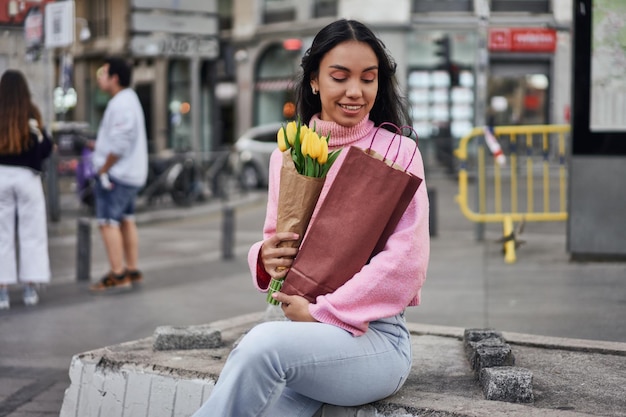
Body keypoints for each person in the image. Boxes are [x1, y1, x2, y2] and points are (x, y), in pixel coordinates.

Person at [192, 19, 430, 417]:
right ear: (315, 81)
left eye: (368, 79)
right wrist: (265, 258)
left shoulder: (398, 152)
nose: (356, 91)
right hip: (304, 335)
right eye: (340, 77)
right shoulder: (288, 153)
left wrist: (323, 314)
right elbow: (277, 238)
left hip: (375, 339)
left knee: (261, 346)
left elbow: (406, 263)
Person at [89, 57, 148, 293]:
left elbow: (121, 142)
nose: (100, 78)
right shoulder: (130, 99)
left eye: (103, 73)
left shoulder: (120, 103)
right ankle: (131, 269)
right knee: (126, 219)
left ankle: (117, 273)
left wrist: (103, 168)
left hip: (118, 175)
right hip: (131, 172)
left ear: (115, 78)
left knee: (107, 222)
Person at [0, 70, 53, 309]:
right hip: (28, 178)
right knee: (32, 234)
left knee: (2, 235)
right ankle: (30, 288)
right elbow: (46, 148)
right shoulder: (31, 114)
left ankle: (3, 291)